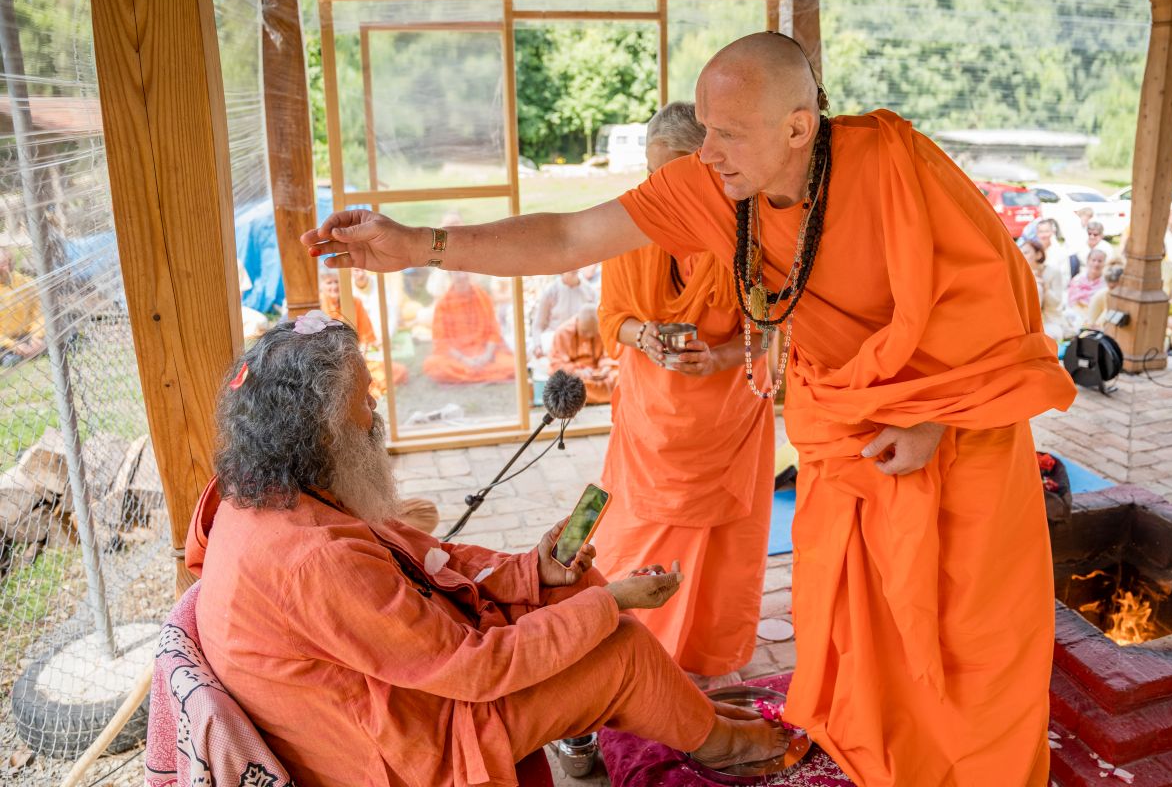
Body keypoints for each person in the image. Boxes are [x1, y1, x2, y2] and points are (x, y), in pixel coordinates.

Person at [305, 31, 1077, 786]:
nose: (707, 152)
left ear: (798, 128)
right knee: (859, 616)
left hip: (957, 427)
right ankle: (878, 751)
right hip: (847, 433)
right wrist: (421, 245)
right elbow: (569, 235)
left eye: (727, 133)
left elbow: (1004, 305)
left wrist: (936, 421)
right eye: (704, 129)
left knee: (970, 630)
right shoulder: (713, 187)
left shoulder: (895, 167)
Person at [190, 315, 790, 786]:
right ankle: (722, 744)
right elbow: (472, 667)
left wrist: (534, 571)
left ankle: (689, 720)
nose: (375, 412)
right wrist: (612, 602)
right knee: (621, 648)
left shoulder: (274, 490)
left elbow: (432, 561)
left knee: (572, 589)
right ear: (316, 428)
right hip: (404, 746)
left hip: (408, 690)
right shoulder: (315, 557)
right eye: (364, 399)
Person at [591, 101, 774, 690]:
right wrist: (642, 334)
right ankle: (633, 654)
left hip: (728, 415)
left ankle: (709, 657)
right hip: (650, 419)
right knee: (634, 533)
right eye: (652, 174)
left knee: (723, 550)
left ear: (710, 165)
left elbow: (774, 329)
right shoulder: (631, 222)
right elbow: (612, 318)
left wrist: (718, 358)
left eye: (672, 175)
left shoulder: (752, 229)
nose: (659, 190)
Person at [319, 270, 407, 397]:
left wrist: (358, 361)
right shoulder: (318, 306)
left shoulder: (355, 302)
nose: (334, 286)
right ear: (322, 286)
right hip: (329, 364)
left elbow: (365, 336)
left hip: (355, 358)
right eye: (329, 283)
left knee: (397, 371)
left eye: (337, 282)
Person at [424, 271, 515, 384]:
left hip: (484, 353)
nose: (462, 276)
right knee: (434, 366)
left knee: (513, 364)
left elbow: (494, 332)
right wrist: (465, 360)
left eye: (465, 271)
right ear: (451, 275)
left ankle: (471, 374)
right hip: (458, 358)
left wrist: (486, 356)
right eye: (457, 273)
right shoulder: (443, 304)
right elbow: (442, 342)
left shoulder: (483, 297)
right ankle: (484, 373)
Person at [548, 304, 617, 404]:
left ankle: (584, 399)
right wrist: (577, 372)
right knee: (565, 386)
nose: (589, 335)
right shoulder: (562, 333)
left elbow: (609, 354)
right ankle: (598, 397)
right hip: (576, 377)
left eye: (593, 333)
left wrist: (605, 367)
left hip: (599, 376)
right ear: (577, 322)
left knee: (618, 377)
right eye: (585, 332)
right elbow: (556, 364)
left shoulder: (602, 329)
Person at [530, 270, 596, 358]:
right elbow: (538, 325)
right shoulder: (550, 291)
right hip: (554, 342)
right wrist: (538, 346)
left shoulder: (589, 291)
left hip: (580, 345)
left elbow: (595, 323)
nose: (573, 268)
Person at [0, 247, 46, 367]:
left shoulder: (24, 281)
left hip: (28, 334)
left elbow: (39, 310)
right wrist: (13, 345)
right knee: (9, 360)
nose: (4, 269)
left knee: (65, 332)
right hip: (5, 342)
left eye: (5, 263)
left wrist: (36, 335)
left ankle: (34, 349)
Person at [1021, 239, 1072, 341]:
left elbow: (1056, 303)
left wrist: (1045, 288)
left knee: (1046, 338)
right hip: (1026, 323)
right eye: (1021, 253)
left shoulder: (1054, 272)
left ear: (1038, 255)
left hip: (1051, 320)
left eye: (1026, 252)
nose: (1022, 256)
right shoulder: (1020, 273)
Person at [1083, 265, 1123, 330]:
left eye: (1117, 288)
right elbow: (1091, 324)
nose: (1114, 292)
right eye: (1111, 288)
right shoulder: (1099, 296)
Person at [1066, 248, 1106, 312]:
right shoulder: (1077, 280)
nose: (1096, 264)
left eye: (1100, 261)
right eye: (1093, 260)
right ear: (1087, 261)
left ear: (1104, 264)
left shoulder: (1106, 284)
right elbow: (1070, 302)